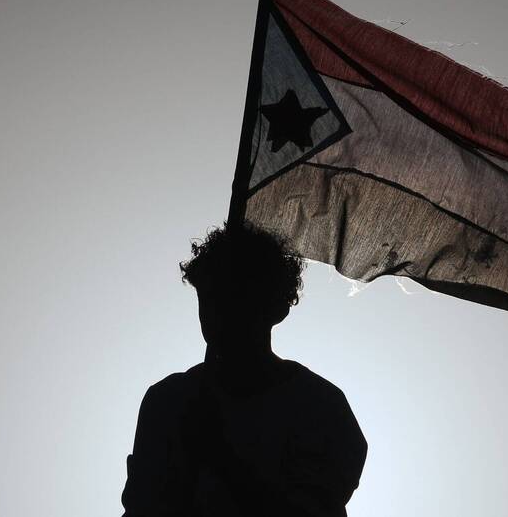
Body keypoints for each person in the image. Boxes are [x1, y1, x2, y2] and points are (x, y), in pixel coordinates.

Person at [121, 221, 368, 516]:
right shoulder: (168, 400)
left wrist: (220, 455)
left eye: (239, 297)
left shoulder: (320, 406)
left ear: (277, 308)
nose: (221, 314)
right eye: (210, 299)